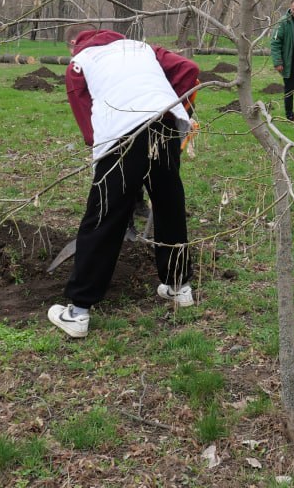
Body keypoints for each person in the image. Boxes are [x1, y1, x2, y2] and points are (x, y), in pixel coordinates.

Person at [48, 25, 201, 339]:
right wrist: (177, 108)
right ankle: (178, 286)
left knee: (104, 215)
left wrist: (99, 152)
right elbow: (189, 69)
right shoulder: (142, 48)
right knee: (169, 204)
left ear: (74, 44)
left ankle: (77, 312)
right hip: (165, 125)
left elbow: (85, 117)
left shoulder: (80, 62)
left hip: (122, 137)